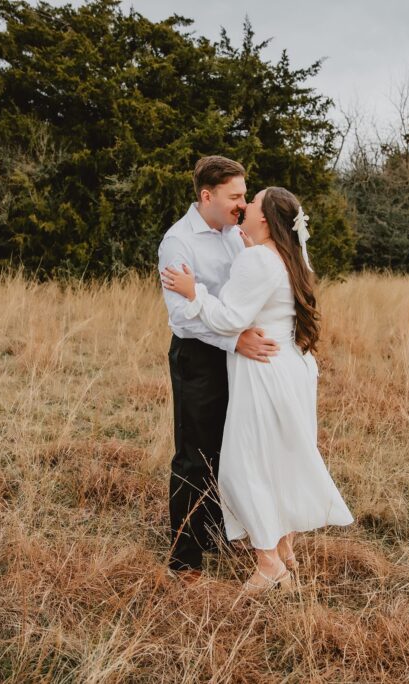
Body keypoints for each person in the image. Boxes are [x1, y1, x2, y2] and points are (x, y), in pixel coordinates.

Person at [161, 186, 355, 594]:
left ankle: (268, 564)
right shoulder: (286, 255)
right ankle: (284, 553)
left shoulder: (256, 257)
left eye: (251, 200)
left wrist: (194, 292)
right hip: (289, 366)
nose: (245, 205)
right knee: (275, 463)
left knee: (242, 468)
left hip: (262, 372)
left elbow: (231, 317)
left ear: (264, 218)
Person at [158, 156, 281, 581]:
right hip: (198, 356)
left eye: (245, 196)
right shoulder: (177, 243)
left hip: (236, 357)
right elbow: (182, 316)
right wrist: (235, 339)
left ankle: (215, 535)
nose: (243, 204)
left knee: (229, 450)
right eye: (235, 196)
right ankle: (184, 561)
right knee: (194, 455)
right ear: (206, 196)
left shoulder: (236, 234)